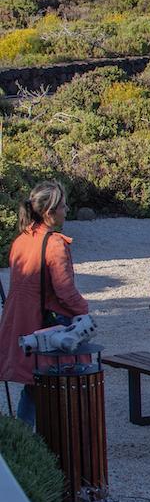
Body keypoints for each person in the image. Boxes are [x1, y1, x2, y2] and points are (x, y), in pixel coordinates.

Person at [0, 181, 90, 428]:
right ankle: (56, 441)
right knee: (59, 383)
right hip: (48, 322)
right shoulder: (53, 243)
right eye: (62, 206)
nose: (67, 210)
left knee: (33, 385)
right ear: (49, 212)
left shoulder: (22, 239)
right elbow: (64, 290)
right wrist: (84, 312)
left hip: (22, 319)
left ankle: (25, 438)